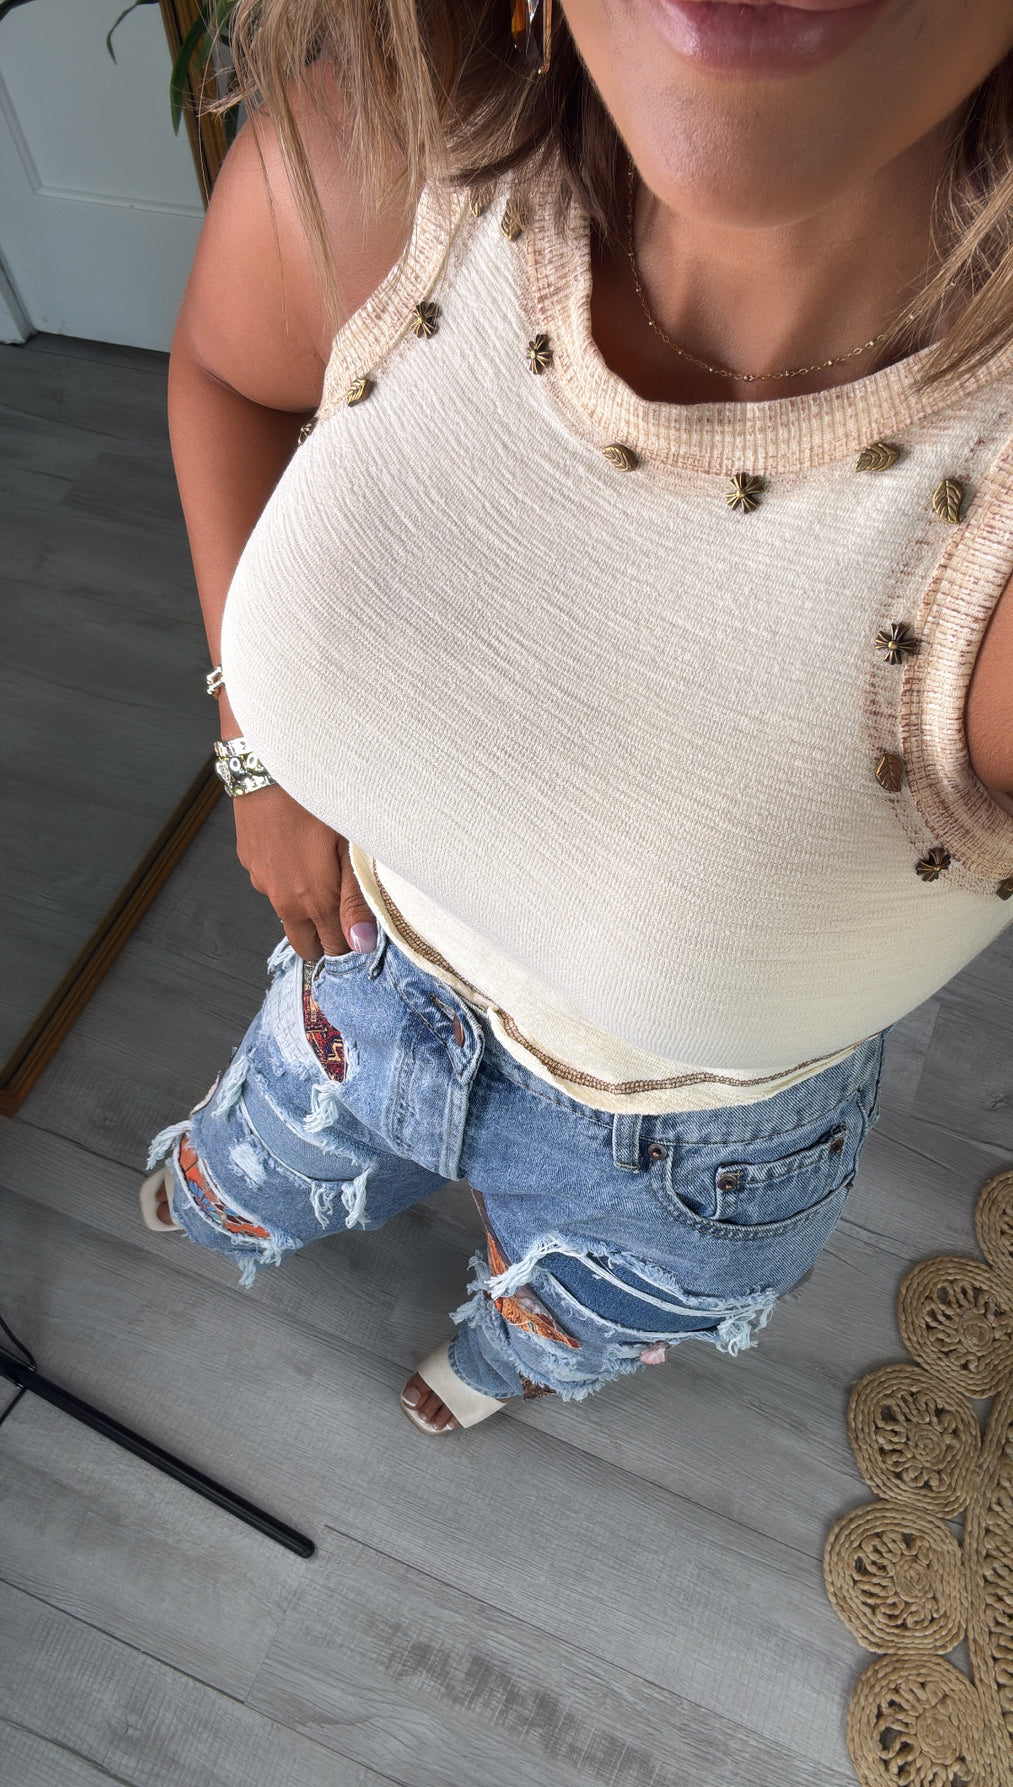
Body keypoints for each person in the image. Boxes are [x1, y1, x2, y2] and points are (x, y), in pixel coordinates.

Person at [143, 0, 1013, 1435]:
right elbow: (232, 377)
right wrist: (259, 764)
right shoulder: (381, 157)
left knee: (563, 1322)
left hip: (688, 1161)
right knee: (243, 1181)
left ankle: (498, 1368)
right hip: (361, 970)